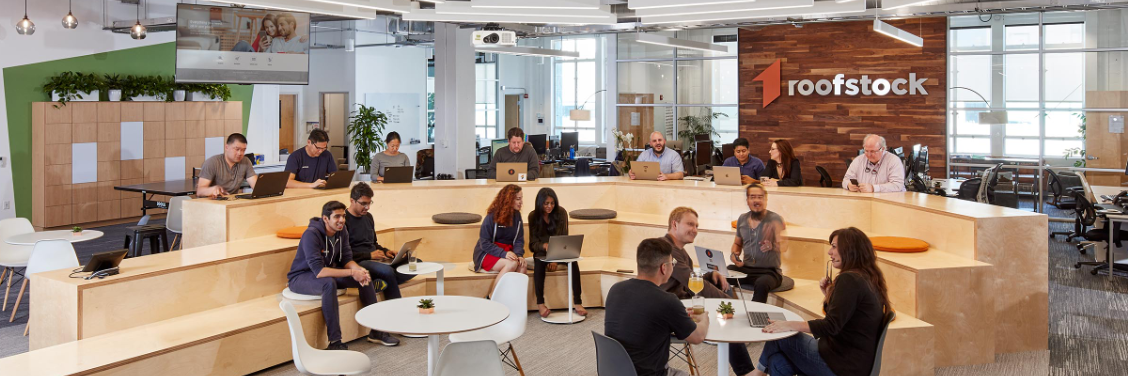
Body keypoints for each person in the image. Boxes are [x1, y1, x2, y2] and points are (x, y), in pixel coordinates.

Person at [754, 227, 892, 376]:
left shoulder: (850, 280)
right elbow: (844, 317)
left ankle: (756, 374)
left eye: (833, 246)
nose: (829, 252)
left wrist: (790, 325)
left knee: (780, 336)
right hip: (851, 362)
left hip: (842, 364)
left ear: (849, 250)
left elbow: (831, 325)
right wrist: (828, 294)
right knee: (777, 361)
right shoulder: (867, 277)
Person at [661, 207, 756, 376]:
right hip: (673, 311)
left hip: (684, 302)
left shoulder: (676, 247)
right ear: (674, 224)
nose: (695, 230)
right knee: (728, 311)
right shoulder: (668, 250)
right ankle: (745, 371)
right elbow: (692, 283)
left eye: (697, 226)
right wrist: (731, 304)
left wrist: (710, 275)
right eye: (690, 224)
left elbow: (689, 278)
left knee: (721, 288)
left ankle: (744, 368)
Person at [286, 201, 386, 351]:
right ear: (325, 219)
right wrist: (352, 272)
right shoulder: (311, 234)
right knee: (328, 284)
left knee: (364, 276)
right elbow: (319, 271)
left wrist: (359, 270)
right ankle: (335, 342)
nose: (341, 220)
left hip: (326, 273)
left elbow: (346, 259)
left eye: (343, 216)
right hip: (301, 277)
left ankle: (376, 330)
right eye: (337, 217)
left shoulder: (342, 230)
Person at [605, 238, 709, 376]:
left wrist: (677, 314)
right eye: (673, 263)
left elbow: (641, 316)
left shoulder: (615, 289)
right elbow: (698, 337)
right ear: (664, 268)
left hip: (615, 371)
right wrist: (704, 318)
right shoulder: (667, 301)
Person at [344, 183, 415, 347]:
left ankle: (381, 282)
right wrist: (369, 255)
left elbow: (374, 243)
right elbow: (345, 254)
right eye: (363, 203)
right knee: (388, 271)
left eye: (369, 203)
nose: (367, 207)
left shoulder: (368, 217)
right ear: (352, 201)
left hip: (375, 259)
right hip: (358, 262)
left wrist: (387, 251)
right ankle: (399, 320)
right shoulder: (344, 221)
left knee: (414, 263)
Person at [527, 188, 586, 318]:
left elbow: (563, 239)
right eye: (546, 203)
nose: (549, 207)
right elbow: (532, 245)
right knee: (539, 264)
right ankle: (540, 304)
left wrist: (554, 259)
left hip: (559, 252)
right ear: (540, 203)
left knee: (574, 262)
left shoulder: (561, 213)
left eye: (552, 203)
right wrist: (544, 245)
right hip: (541, 252)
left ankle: (577, 302)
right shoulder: (533, 216)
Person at [729, 183, 788, 303]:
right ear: (747, 200)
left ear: (766, 200)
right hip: (746, 269)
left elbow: (785, 246)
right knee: (721, 274)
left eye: (760, 197)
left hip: (769, 272)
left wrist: (772, 246)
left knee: (762, 284)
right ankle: (726, 309)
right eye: (752, 197)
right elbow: (737, 244)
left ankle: (756, 316)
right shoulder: (742, 219)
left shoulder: (775, 219)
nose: (756, 200)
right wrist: (734, 255)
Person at [473, 184, 528, 294]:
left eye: (521, 198)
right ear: (509, 199)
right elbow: (484, 243)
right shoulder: (491, 217)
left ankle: (514, 299)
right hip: (488, 252)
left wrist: (519, 255)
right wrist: (503, 254)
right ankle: (492, 297)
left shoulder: (517, 216)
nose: (521, 202)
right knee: (511, 264)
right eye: (518, 199)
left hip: (508, 252)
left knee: (523, 265)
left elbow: (519, 240)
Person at [196, 133, 258, 197]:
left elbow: (257, 187)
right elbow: (200, 191)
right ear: (226, 147)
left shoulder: (245, 161)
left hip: (232, 202)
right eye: (237, 149)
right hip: (212, 202)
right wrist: (212, 190)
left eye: (243, 150)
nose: (240, 153)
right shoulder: (212, 162)